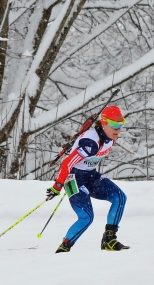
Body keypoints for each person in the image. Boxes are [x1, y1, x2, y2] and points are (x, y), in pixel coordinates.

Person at [46, 105, 129, 253]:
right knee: (86, 217)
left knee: (120, 198)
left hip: (90, 176)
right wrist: (57, 186)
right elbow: (67, 163)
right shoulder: (90, 143)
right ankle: (63, 249)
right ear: (103, 123)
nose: (118, 129)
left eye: (121, 124)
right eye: (114, 125)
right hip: (73, 179)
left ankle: (109, 240)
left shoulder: (110, 137)